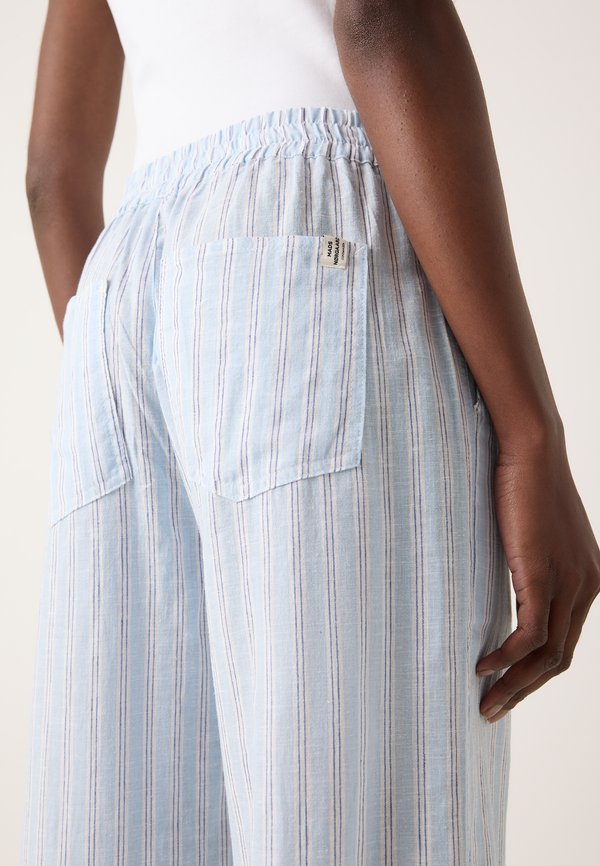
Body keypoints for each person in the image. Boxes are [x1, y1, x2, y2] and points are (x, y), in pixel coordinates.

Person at [21, 0, 600, 864]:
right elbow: (382, 20)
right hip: (305, 241)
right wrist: (530, 432)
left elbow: (52, 174)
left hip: (122, 295)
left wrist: (147, 365)